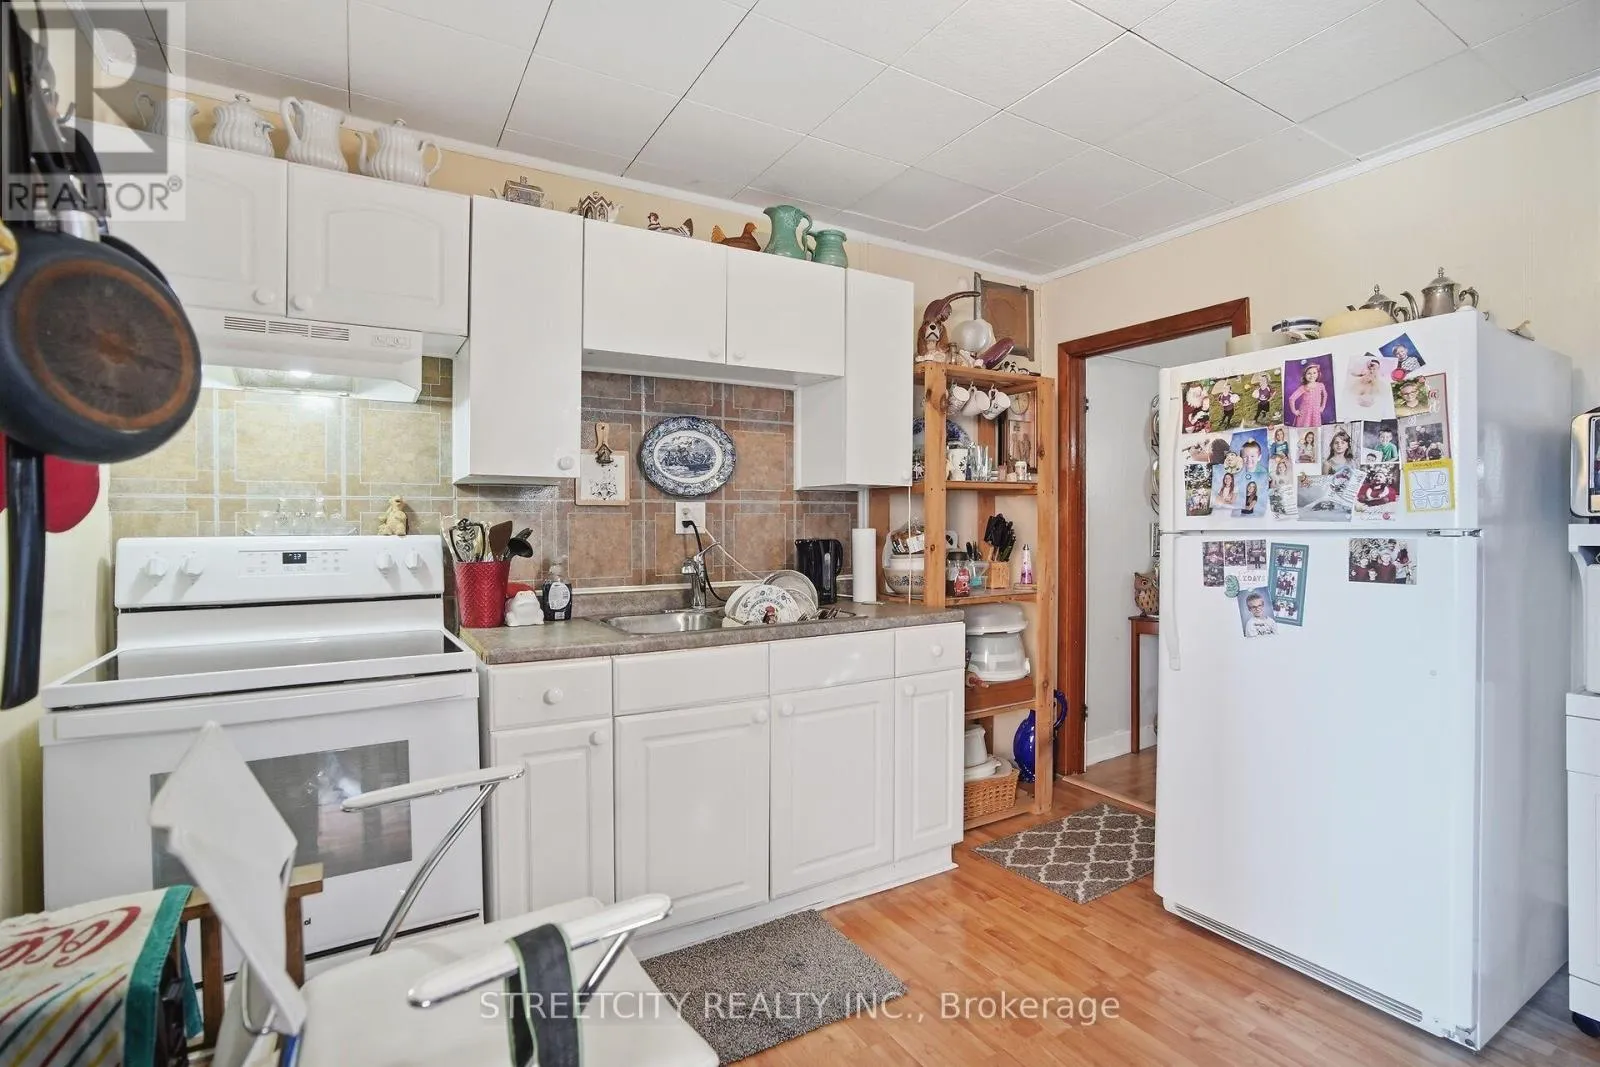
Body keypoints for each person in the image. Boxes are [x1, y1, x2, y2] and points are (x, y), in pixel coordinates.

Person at [1288, 361, 1327, 427]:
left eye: (1314, 373)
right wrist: (1294, 411)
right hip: (1304, 415)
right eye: (1309, 373)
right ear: (1305, 375)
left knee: (1315, 429)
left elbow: (1325, 395)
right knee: (1304, 429)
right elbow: (1291, 399)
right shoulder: (1303, 387)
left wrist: (1322, 407)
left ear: (1318, 373)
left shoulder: (1321, 385)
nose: (1312, 375)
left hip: (1316, 414)